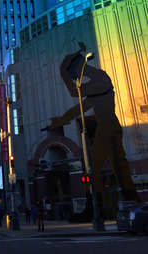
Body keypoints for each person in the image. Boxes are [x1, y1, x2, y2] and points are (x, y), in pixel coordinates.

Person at [47, 46, 141, 213]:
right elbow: (82, 107)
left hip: (107, 127)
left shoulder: (101, 79)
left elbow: (74, 94)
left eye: (74, 74)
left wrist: (63, 70)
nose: (76, 78)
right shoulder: (96, 84)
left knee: (94, 167)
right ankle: (133, 202)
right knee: (119, 167)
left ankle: (94, 207)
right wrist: (60, 121)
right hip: (109, 127)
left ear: (78, 68)